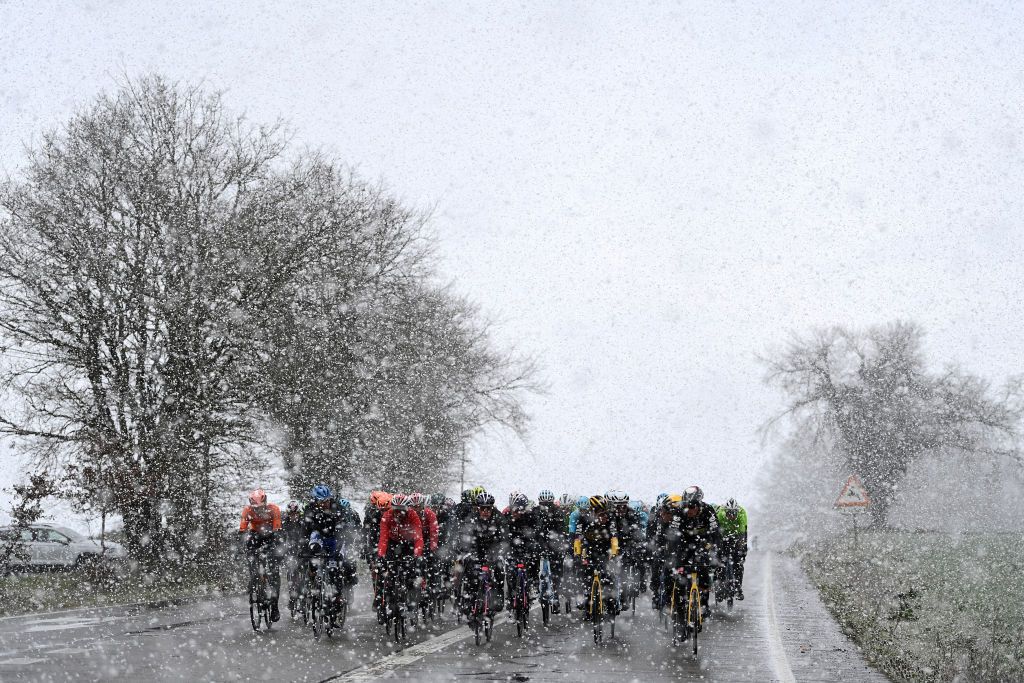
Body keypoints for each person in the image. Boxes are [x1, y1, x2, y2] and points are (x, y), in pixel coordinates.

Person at [653, 486, 720, 626]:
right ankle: (679, 615)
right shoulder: (679, 512)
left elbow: (716, 535)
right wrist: (673, 557)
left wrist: (712, 552)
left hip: (703, 542)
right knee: (678, 576)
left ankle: (703, 605)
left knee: (705, 571)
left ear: (699, 504)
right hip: (683, 544)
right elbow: (673, 536)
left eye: (692, 506)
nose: (689, 510)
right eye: (687, 506)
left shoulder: (708, 511)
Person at [456, 491, 508, 613]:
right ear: (478, 509)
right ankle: (468, 599)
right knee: (469, 570)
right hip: (476, 549)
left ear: (492, 508)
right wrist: (465, 551)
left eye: (488, 509)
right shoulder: (472, 518)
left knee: (499, 570)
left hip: (493, 549)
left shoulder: (499, 518)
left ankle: (498, 598)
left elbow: (505, 537)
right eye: (483, 509)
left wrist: (501, 552)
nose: (485, 512)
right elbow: (464, 536)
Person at [238, 489, 282, 622]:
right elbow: (242, 529)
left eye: (260, 508)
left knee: (274, 573)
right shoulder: (247, 510)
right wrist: (240, 547)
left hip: (270, 535)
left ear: (265, 502)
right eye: (255, 509)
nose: (258, 511)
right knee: (249, 550)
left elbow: (277, 530)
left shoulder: (274, 509)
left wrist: (277, 551)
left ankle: (274, 606)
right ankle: (254, 578)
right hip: (255, 536)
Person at [303, 484, 348, 609]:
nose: (325, 504)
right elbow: (306, 530)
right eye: (322, 501)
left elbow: (342, 527)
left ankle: (338, 596)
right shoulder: (310, 509)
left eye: (327, 500)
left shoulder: (336, 508)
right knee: (313, 555)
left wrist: (339, 550)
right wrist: (303, 548)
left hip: (334, 538)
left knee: (335, 569)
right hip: (318, 537)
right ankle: (313, 583)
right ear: (316, 500)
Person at [572, 495, 620, 612]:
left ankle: (612, 601)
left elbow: (614, 538)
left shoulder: (609, 519)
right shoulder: (583, 519)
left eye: (604, 511)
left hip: (605, 549)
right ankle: (585, 597)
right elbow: (577, 539)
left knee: (609, 575)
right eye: (599, 512)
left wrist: (614, 554)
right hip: (589, 549)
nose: (603, 515)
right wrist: (577, 555)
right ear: (592, 511)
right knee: (582, 572)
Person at [503, 492, 539, 610]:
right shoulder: (506, 516)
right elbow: (500, 535)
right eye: (513, 509)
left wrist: (537, 548)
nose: (515, 512)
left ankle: (532, 586)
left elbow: (537, 535)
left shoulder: (531, 517)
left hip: (526, 547)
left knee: (532, 563)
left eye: (519, 510)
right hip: (511, 547)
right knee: (510, 572)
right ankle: (510, 597)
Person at [534, 489, 567, 613]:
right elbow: (533, 531)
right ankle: (535, 585)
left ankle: (556, 596)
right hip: (539, 541)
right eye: (543, 504)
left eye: (548, 504)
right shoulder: (535, 512)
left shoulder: (557, 512)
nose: (545, 507)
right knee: (532, 562)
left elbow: (561, 531)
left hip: (554, 543)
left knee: (557, 570)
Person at [715, 497, 748, 600]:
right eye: (729, 513)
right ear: (726, 512)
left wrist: (742, 550)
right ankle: (720, 588)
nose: (732, 516)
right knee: (720, 563)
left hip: (737, 537)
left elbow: (743, 535)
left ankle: (738, 588)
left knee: (738, 563)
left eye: (734, 513)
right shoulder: (720, 515)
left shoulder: (742, 515)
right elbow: (716, 534)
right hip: (722, 537)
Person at [281, 500, 306, 614]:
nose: (293, 517)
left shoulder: (303, 523)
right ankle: (292, 598)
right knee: (291, 575)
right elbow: (280, 538)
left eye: (295, 514)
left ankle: (303, 597)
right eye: (291, 514)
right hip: (290, 552)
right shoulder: (284, 523)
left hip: (302, 551)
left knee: (303, 576)